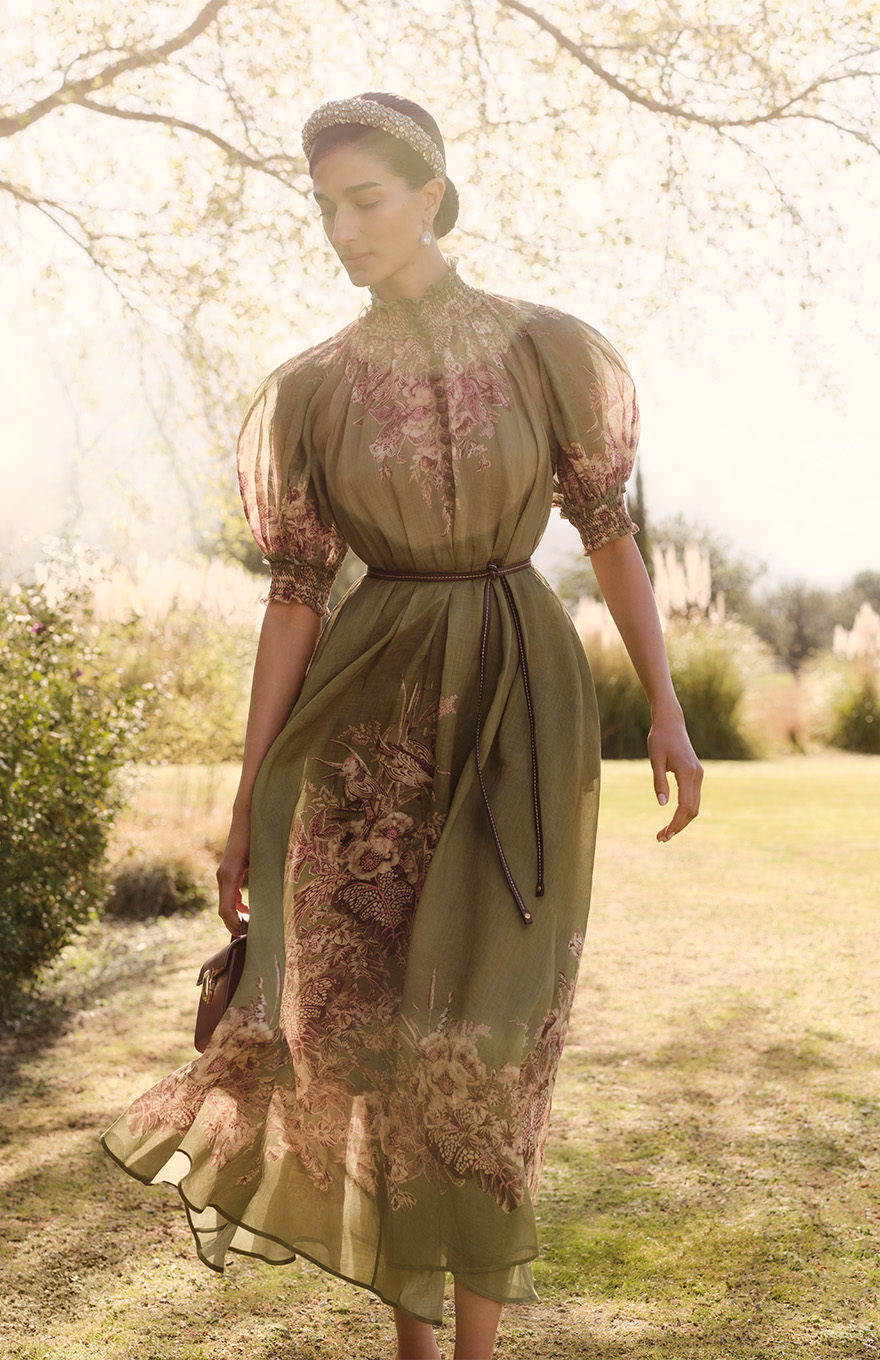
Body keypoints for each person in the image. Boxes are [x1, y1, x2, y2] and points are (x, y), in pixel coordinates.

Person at [102, 92, 702, 1360]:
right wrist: (247, 793)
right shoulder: (313, 390)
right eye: (323, 206)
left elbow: (609, 534)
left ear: (431, 194)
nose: (341, 227)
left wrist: (666, 704)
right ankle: (416, 1350)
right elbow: (292, 601)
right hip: (366, 719)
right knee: (372, 1031)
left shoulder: (548, 352)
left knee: (486, 1042)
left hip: (519, 693)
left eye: (364, 198)